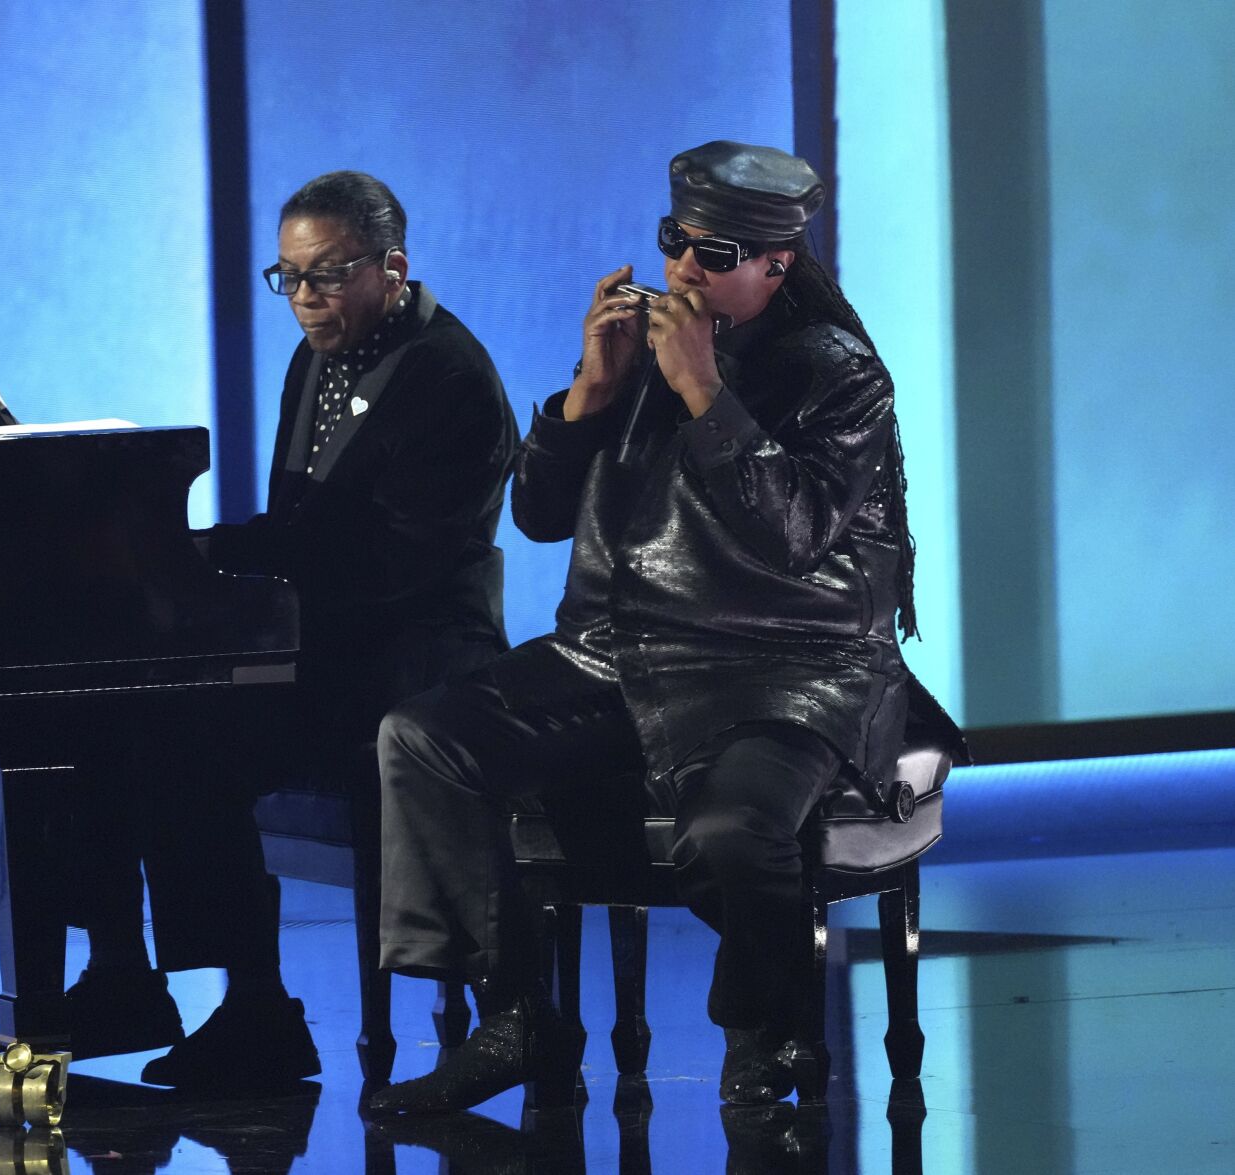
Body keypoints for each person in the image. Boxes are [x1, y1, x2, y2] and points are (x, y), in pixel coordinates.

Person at [364, 141, 962, 1115]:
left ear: (775, 264)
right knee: (423, 739)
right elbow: (538, 515)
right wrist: (584, 399)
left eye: (713, 253)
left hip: (780, 666)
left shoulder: (837, 375)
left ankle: (765, 1029)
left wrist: (702, 395)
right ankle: (514, 1014)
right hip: (612, 654)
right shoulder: (638, 347)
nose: (682, 268)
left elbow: (794, 536)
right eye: (673, 242)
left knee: (732, 829)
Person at [63, 170, 520, 1090]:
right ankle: (122, 972)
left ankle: (257, 1008)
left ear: (391, 268)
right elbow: (299, 529)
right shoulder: (322, 348)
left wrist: (212, 565)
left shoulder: (451, 381)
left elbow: (390, 568)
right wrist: (201, 558)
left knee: (190, 738)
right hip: (330, 631)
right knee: (112, 712)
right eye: (288, 278)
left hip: (418, 654)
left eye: (324, 275)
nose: (303, 300)